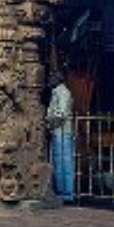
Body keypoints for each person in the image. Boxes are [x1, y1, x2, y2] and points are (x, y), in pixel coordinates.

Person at [46, 71, 75, 201]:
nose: (49, 80)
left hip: (62, 131)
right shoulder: (56, 92)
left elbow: (61, 114)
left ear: (58, 79)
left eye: (51, 78)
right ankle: (60, 191)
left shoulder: (63, 92)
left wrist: (49, 121)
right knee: (58, 162)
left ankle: (67, 193)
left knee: (65, 163)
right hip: (57, 131)